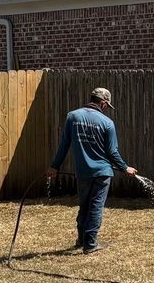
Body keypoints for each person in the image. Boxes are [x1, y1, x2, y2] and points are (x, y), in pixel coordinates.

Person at [47, 87, 137, 253]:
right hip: (102, 173)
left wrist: (54, 166)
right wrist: (125, 168)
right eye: (106, 106)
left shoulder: (73, 117)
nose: (106, 108)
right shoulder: (107, 123)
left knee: (84, 206)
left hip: (83, 172)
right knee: (95, 207)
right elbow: (112, 152)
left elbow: (64, 145)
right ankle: (90, 244)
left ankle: (81, 240)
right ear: (103, 103)